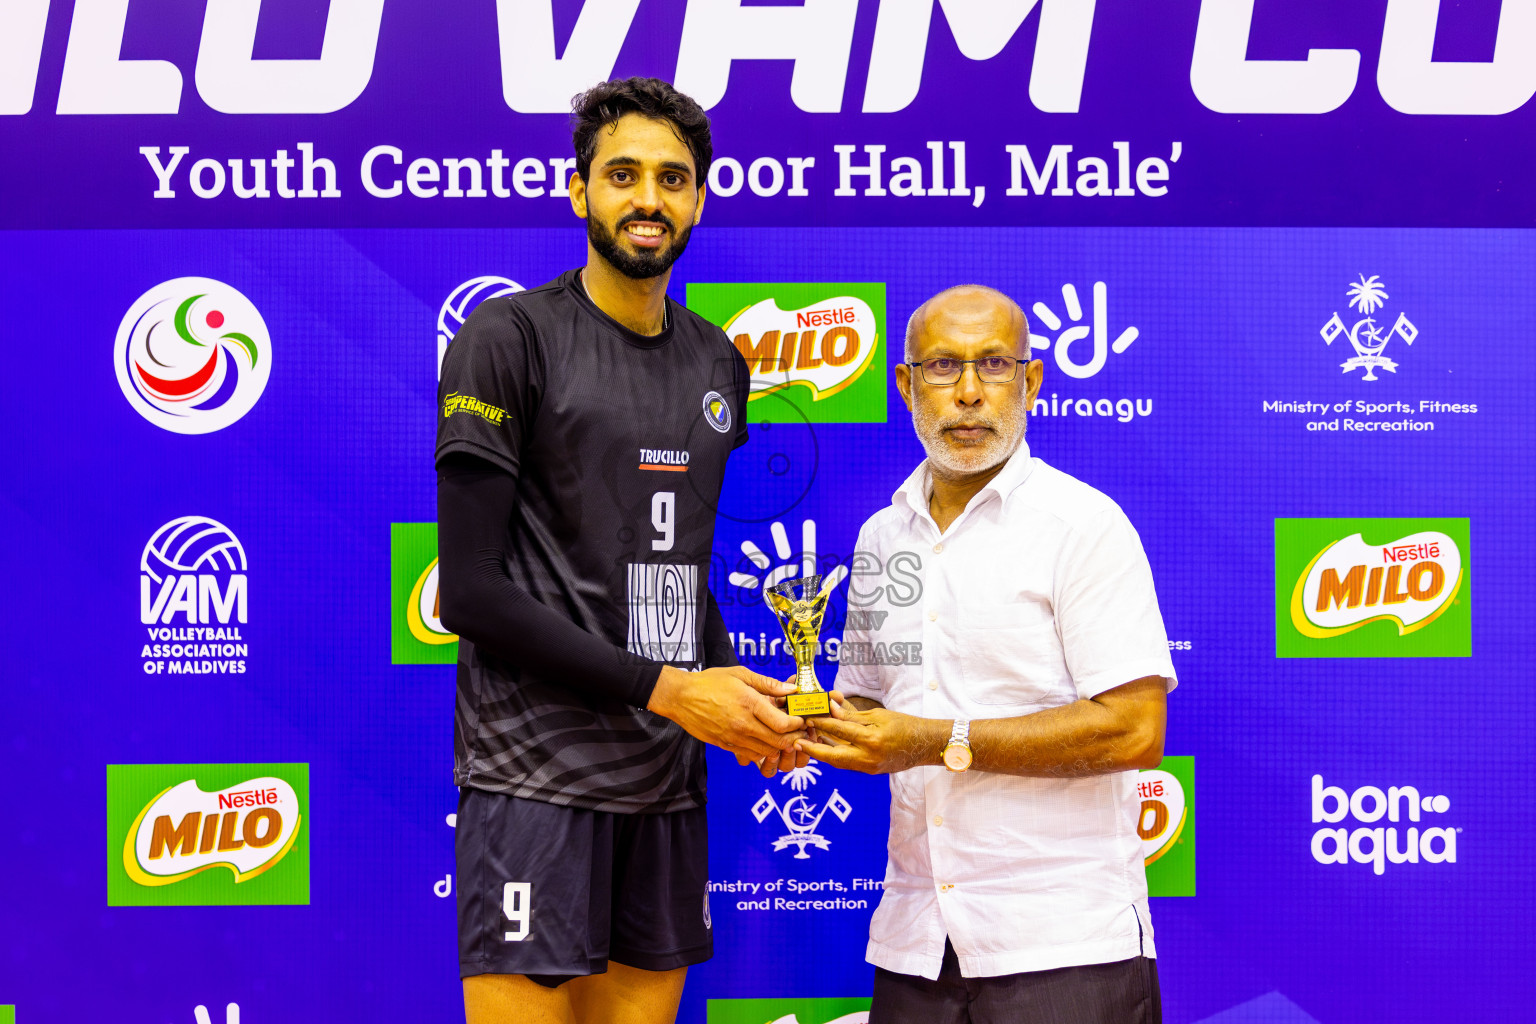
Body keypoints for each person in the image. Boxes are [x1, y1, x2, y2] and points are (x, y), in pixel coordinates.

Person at [435, 77, 807, 1024]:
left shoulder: (719, 360)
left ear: (698, 199)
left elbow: (669, 574)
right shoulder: (508, 335)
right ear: (580, 191)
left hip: (664, 782)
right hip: (533, 780)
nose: (649, 199)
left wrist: (747, 699)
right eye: (624, 175)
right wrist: (676, 692)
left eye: (674, 179)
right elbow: (471, 593)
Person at [799, 285, 1177, 1024]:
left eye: (994, 365)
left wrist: (936, 741)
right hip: (916, 945)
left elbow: (1136, 731)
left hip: (1063, 948)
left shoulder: (1084, 527)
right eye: (942, 367)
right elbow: (875, 704)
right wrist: (801, 724)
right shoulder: (883, 537)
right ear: (906, 386)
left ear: (1030, 383)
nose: (969, 394)